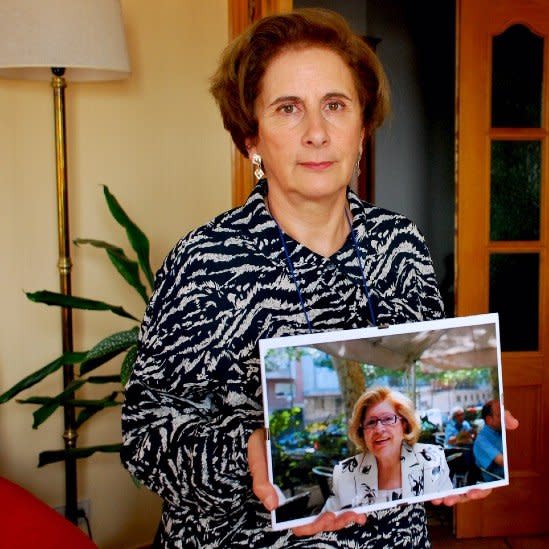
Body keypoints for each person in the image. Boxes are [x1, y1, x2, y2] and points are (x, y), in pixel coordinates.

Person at [121, 8, 514, 548]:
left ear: (361, 127)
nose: (316, 133)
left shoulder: (402, 244)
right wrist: (246, 455)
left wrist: (472, 435)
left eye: (335, 105)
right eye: (288, 109)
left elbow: (417, 386)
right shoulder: (202, 262)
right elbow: (144, 438)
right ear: (251, 138)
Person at [322, 387, 452, 512]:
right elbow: (325, 528)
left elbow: (451, 517)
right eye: (371, 422)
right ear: (362, 431)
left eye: (388, 419)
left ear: (404, 425)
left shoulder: (431, 460)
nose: (379, 429)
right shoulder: (345, 473)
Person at [473, 400, 505, 482]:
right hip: (498, 480)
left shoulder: (500, 431)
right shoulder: (482, 440)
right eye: (500, 415)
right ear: (489, 420)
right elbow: (502, 461)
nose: (504, 418)